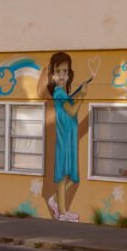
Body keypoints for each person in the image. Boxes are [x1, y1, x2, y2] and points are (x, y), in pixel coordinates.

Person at [43, 52, 80, 221]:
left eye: (65, 71)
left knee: (72, 177)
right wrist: (83, 96)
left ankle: (55, 200)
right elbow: (72, 111)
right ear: (52, 74)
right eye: (59, 71)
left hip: (70, 138)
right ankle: (63, 213)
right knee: (64, 178)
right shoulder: (58, 93)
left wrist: (77, 95)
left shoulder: (64, 94)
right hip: (64, 138)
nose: (63, 75)